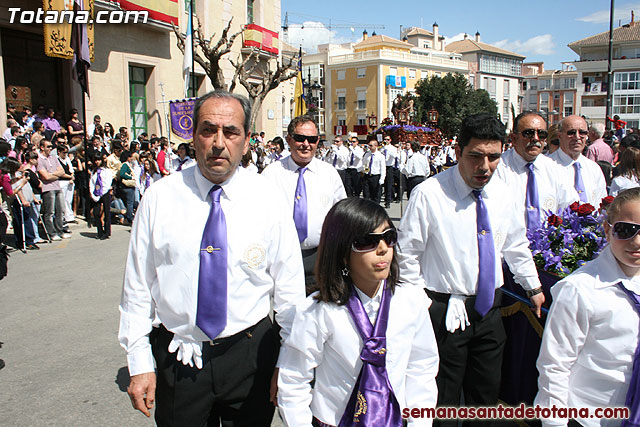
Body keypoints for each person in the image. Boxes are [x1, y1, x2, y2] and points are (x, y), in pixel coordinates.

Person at [119, 90, 305, 426]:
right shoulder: (159, 198)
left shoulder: (268, 199)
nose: (219, 142)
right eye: (208, 130)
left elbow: (289, 289)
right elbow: (137, 289)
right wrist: (139, 362)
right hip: (180, 357)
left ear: (247, 141)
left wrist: (289, 362)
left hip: (250, 356)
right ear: (193, 137)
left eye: (231, 132)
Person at [397, 113, 544, 423]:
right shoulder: (430, 194)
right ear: (458, 152)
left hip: (489, 309)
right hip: (443, 310)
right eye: (476, 156)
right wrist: (419, 305)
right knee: (444, 399)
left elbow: (515, 244)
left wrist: (533, 286)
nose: (485, 166)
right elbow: (407, 255)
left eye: (494, 157)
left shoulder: (504, 193)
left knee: (485, 397)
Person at [277, 197, 439, 426]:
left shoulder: (411, 301)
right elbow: (294, 379)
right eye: (367, 242)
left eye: (389, 237)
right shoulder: (318, 310)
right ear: (342, 251)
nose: (382, 248)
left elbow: (421, 367)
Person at [535, 187, 640, 427]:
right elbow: (555, 365)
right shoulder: (580, 289)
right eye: (625, 230)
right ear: (607, 229)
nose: (636, 241)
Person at [262, 115, 346, 289]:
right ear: (289, 140)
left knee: (320, 313)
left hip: (320, 257)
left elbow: (342, 216)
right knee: (287, 314)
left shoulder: (329, 173)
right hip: (282, 258)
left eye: (312, 139)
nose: (306, 144)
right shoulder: (271, 174)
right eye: (300, 138)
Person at [496, 111, 574, 233]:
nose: (536, 139)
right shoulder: (499, 169)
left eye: (541, 134)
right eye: (529, 133)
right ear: (514, 138)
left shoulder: (555, 170)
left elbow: (569, 208)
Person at [548, 115, 607, 207]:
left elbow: (601, 202)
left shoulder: (594, 168)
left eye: (582, 132)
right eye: (571, 132)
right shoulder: (547, 166)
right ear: (559, 135)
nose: (577, 137)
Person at [37, 139, 70, 241]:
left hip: (57, 186)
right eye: (48, 147)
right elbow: (45, 177)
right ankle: (52, 233)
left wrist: (52, 174)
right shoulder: (39, 159)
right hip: (48, 188)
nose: (50, 148)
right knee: (49, 212)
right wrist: (55, 174)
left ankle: (60, 231)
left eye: (51, 146)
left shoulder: (54, 158)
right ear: (42, 147)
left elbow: (62, 171)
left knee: (60, 210)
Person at [89, 153, 113, 239]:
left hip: (104, 192)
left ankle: (106, 232)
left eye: (98, 160)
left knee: (106, 212)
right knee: (96, 213)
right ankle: (99, 231)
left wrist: (102, 192)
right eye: (95, 160)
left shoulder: (106, 170)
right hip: (96, 193)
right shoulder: (94, 171)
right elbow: (92, 183)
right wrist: (93, 194)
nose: (97, 162)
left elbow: (108, 182)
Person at [361, 135, 386, 204]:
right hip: (367, 175)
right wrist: (364, 169)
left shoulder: (380, 156)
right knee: (366, 194)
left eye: (371, 145)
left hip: (375, 176)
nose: (369, 147)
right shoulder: (367, 154)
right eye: (369, 145)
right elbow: (364, 163)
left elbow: (383, 168)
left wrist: (382, 179)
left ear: (376, 146)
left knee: (375, 195)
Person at [382, 135, 400, 208]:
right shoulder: (382, 148)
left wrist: (388, 150)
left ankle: (388, 201)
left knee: (389, 184)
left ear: (390, 140)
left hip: (389, 167)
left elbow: (395, 156)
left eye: (387, 139)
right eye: (385, 139)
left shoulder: (392, 148)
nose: (386, 141)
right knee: (383, 184)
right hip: (383, 166)